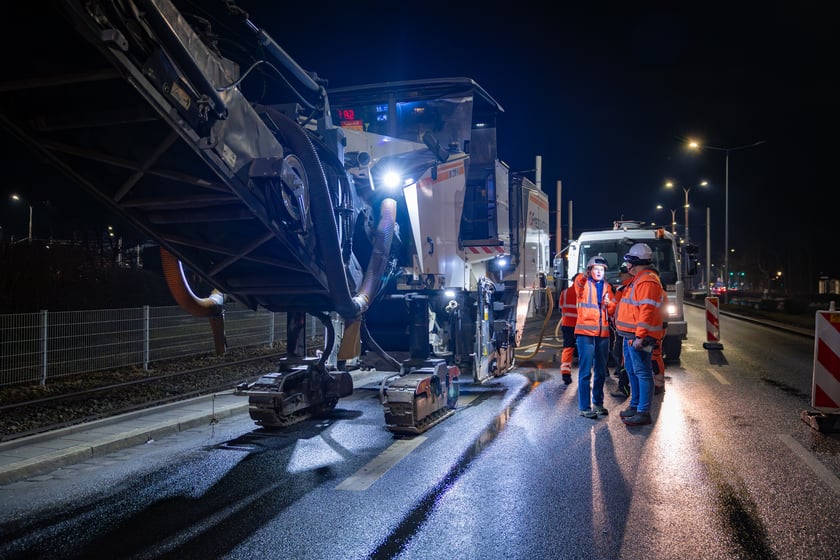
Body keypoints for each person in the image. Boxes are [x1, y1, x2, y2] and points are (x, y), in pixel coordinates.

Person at [614, 243, 667, 426]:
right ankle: (635, 405)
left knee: (642, 373)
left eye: (628, 261)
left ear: (634, 262)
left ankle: (643, 411)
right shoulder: (640, 279)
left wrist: (640, 337)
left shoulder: (647, 281)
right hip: (630, 335)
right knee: (633, 371)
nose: (626, 265)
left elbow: (646, 311)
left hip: (639, 337)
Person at [574, 255, 615, 418]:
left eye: (601, 270)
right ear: (589, 270)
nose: (599, 272)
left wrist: (609, 304)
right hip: (585, 334)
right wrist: (584, 275)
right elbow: (579, 284)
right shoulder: (582, 282)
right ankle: (585, 407)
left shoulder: (607, 287)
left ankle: (598, 404)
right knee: (585, 372)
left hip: (603, 333)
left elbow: (613, 308)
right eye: (595, 269)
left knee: (600, 371)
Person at [609, 262, 632, 398]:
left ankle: (623, 386)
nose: (620, 277)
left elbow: (614, 308)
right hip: (634, 330)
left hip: (623, 329)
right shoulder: (637, 286)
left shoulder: (622, 289)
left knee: (621, 356)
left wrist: (608, 304)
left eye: (622, 274)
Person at [558, 273, 581, 385]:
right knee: (584, 350)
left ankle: (565, 373)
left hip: (567, 325)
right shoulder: (583, 293)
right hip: (581, 325)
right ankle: (584, 374)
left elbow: (561, 307)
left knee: (568, 348)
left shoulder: (565, 292)